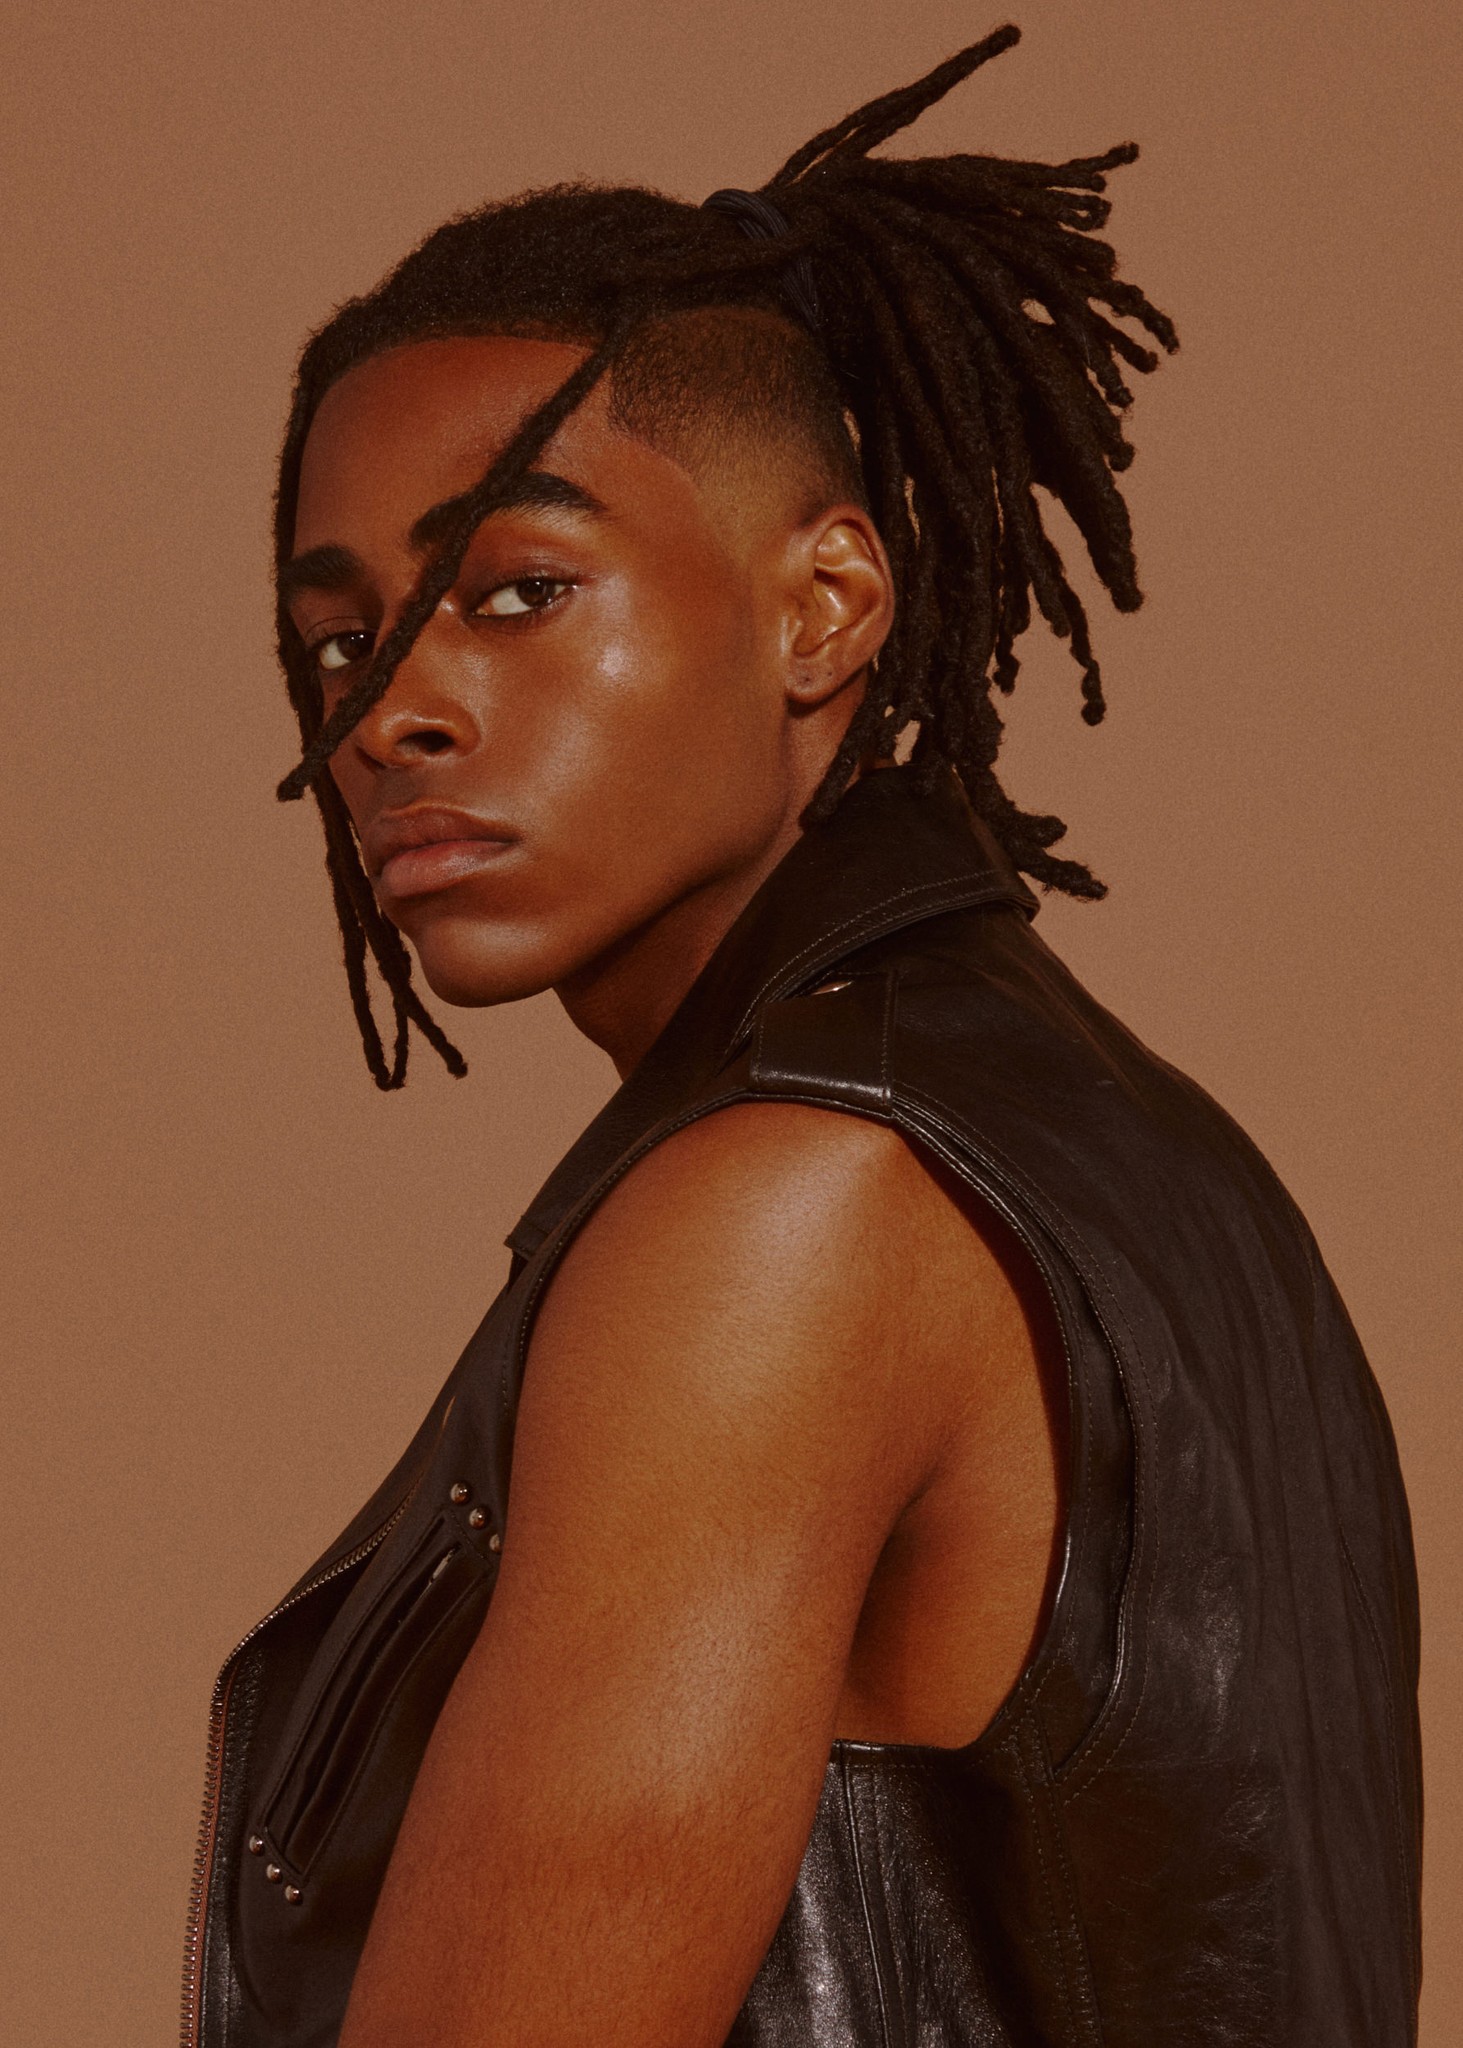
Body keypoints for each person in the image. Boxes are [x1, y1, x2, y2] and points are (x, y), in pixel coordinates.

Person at [180, 28, 1422, 2048]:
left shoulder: (785, 1219)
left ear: (826, 603)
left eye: (517, 589)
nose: (391, 708)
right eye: (341, 636)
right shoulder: (1147, 1166)